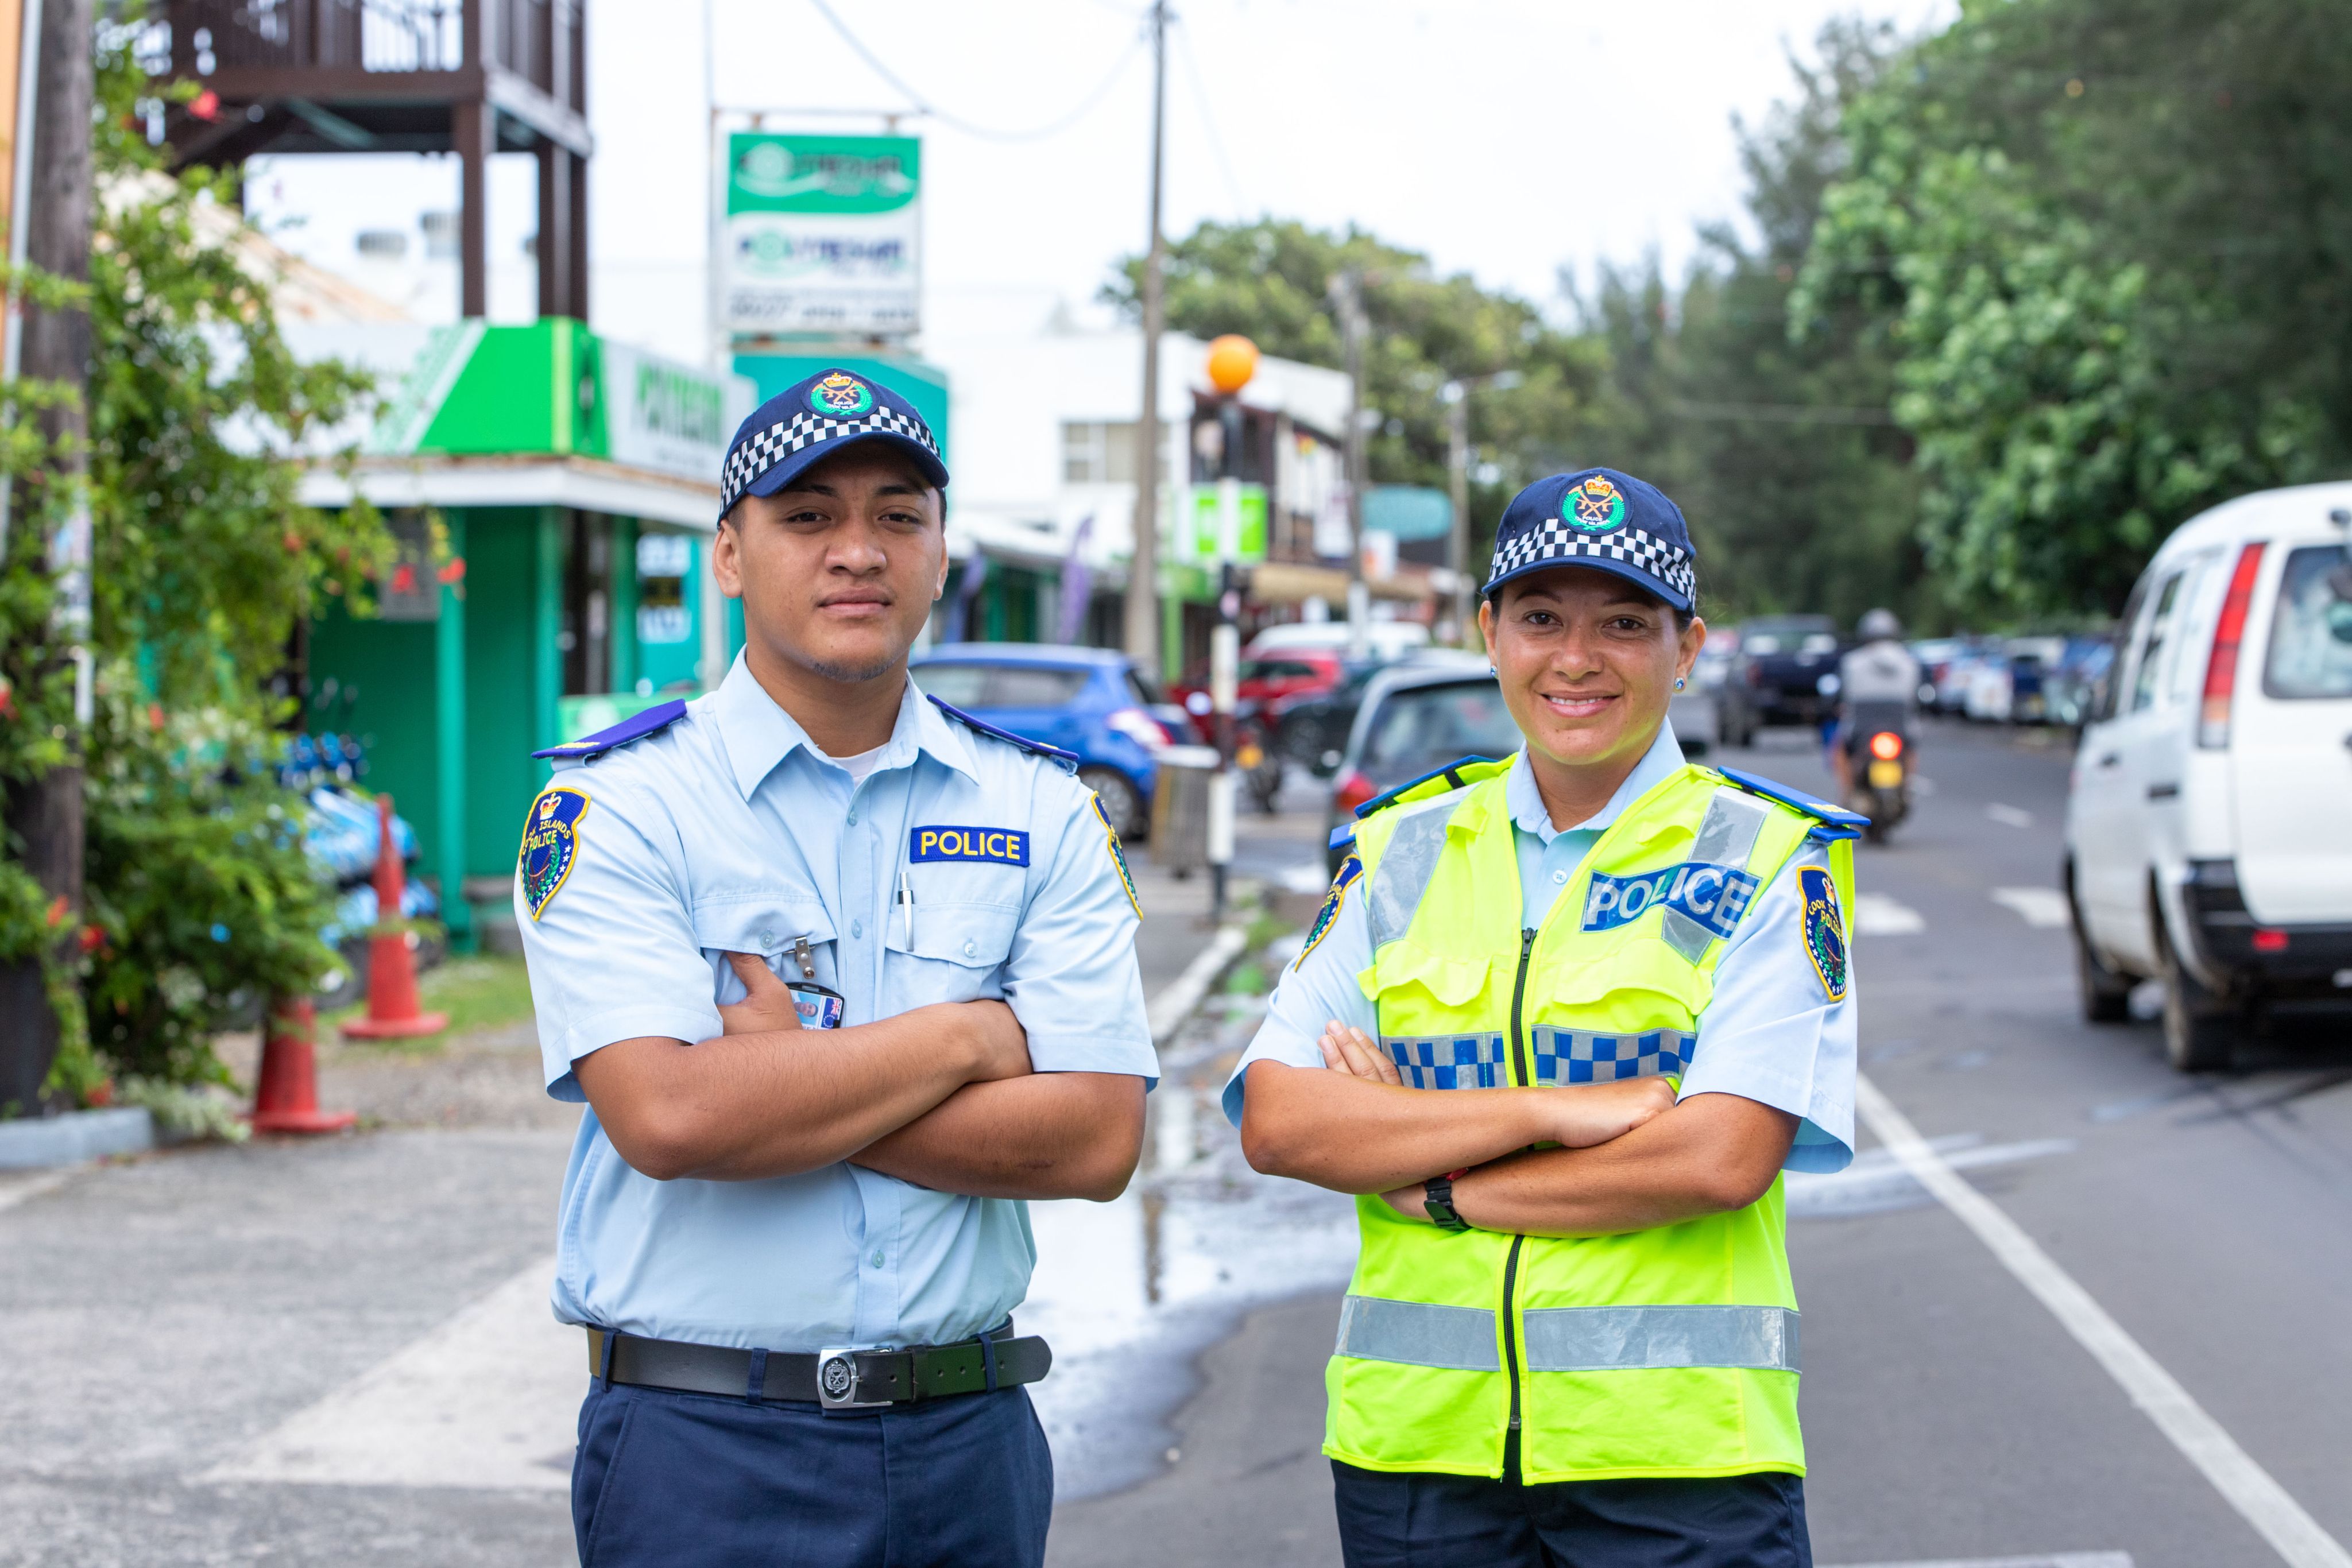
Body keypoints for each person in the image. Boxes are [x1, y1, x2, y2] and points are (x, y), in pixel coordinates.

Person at [514, 368, 1158, 1568]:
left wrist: (786, 1084)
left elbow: (1093, 1142)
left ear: (938, 553)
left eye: (895, 516)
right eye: (807, 516)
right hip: (705, 1447)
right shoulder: (620, 806)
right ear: (727, 554)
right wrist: (966, 1039)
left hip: (967, 1447)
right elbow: (665, 1116)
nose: (856, 550)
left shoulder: (1041, 807)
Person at [1228, 467, 1860, 1568]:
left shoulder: (1767, 856)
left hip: (1680, 1469)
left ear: (1689, 646)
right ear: (1489, 632)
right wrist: (1547, 1110)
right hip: (1416, 1461)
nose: (1576, 658)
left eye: (1623, 622)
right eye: (1539, 618)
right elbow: (1280, 1121)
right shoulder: (1400, 850)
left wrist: (1431, 1181)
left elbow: (1718, 1157)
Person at [1828, 607, 1922, 799]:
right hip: (1900, 726)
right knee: (1911, 748)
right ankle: (1906, 785)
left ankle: (1847, 794)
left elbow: (1838, 695)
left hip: (1861, 728)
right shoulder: (1910, 662)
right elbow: (1918, 697)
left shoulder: (1852, 662)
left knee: (1839, 750)